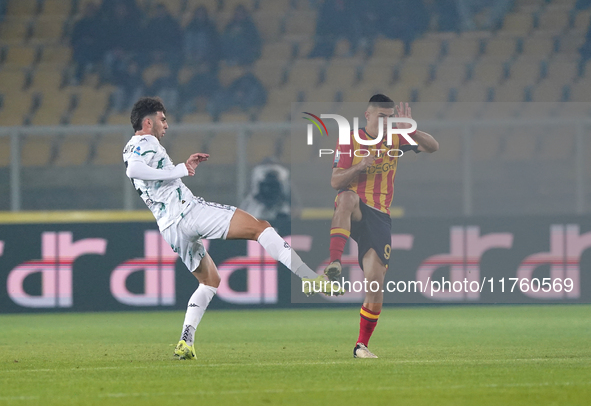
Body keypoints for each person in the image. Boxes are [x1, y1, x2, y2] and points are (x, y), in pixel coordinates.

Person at [123, 97, 342, 360]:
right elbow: (134, 171)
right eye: (162, 119)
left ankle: (186, 340)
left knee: (210, 281)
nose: (166, 125)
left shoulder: (130, 147)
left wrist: (181, 167)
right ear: (148, 122)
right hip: (188, 212)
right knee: (260, 227)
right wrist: (180, 169)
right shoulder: (146, 142)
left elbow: (141, 170)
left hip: (169, 228)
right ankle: (310, 277)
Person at [325, 94, 439, 358]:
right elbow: (335, 181)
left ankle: (361, 346)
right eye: (382, 116)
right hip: (354, 208)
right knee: (346, 197)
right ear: (368, 115)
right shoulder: (349, 140)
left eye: (391, 117)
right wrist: (359, 165)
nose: (387, 121)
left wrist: (411, 128)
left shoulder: (397, 137)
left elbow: (433, 146)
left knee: (375, 285)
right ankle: (334, 262)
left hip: (379, 215)